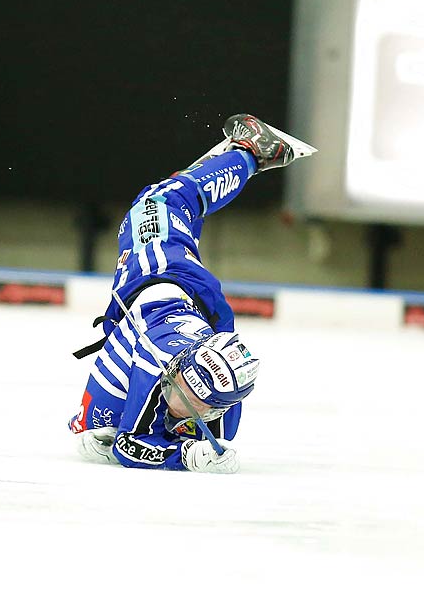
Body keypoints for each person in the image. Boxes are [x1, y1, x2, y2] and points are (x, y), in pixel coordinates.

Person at [68, 114, 301, 474]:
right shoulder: (161, 361)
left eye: (192, 399)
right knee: (157, 201)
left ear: (218, 408)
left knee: (92, 435)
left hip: (163, 316)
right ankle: (254, 151)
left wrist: (175, 444)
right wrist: (186, 456)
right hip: (159, 270)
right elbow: (131, 447)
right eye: (181, 386)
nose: (178, 397)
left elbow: (126, 443)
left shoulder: (226, 400)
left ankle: (206, 184)